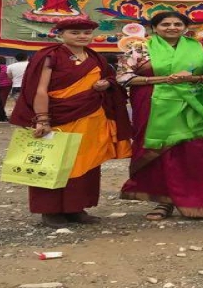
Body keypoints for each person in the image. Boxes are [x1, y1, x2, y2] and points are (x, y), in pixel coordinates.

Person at [10, 16, 132, 228]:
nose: (82, 36)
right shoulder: (50, 56)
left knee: (86, 163)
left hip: (91, 118)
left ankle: (77, 208)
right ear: (61, 34)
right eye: (74, 33)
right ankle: (50, 212)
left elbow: (109, 80)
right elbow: (39, 89)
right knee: (53, 162)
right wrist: (42, 118)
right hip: (59, 116)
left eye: (86, 33)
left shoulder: (95, 57)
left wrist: (106, 84)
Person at [117, 11, 203, 220]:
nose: (172, 27)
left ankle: (202, 199)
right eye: (165, 24)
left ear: (185, 27)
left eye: (177, 24)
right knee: (162, 154)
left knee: (196, 153)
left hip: (195, 107)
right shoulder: (140, 48)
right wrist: (162, 79)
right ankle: (163, 202)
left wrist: (194, 78)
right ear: (154, 28)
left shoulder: (202, 47)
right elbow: (123, 77)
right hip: (154, 108)